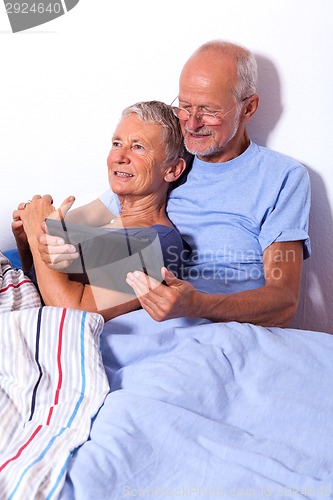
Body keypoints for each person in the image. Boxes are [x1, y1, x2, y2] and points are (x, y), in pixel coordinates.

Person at [20, 40, 311, 328]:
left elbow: (283, 301)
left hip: (217, 328)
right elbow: (60, 243)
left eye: (209, 111)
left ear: (249, 108)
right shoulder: (158, 162)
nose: (192, 124)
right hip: (132, 319)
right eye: (184, 106)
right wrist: (32, 232)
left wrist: (199, 305)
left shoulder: (282, 177)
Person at [12, 101, 188, 321]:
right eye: (116, 143)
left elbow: (71, 309)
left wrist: (37, 228)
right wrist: (26, 240)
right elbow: (41, 281)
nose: (119, 157)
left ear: (172, 169)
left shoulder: (158, 243)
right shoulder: (107, 222)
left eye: (138, 147)